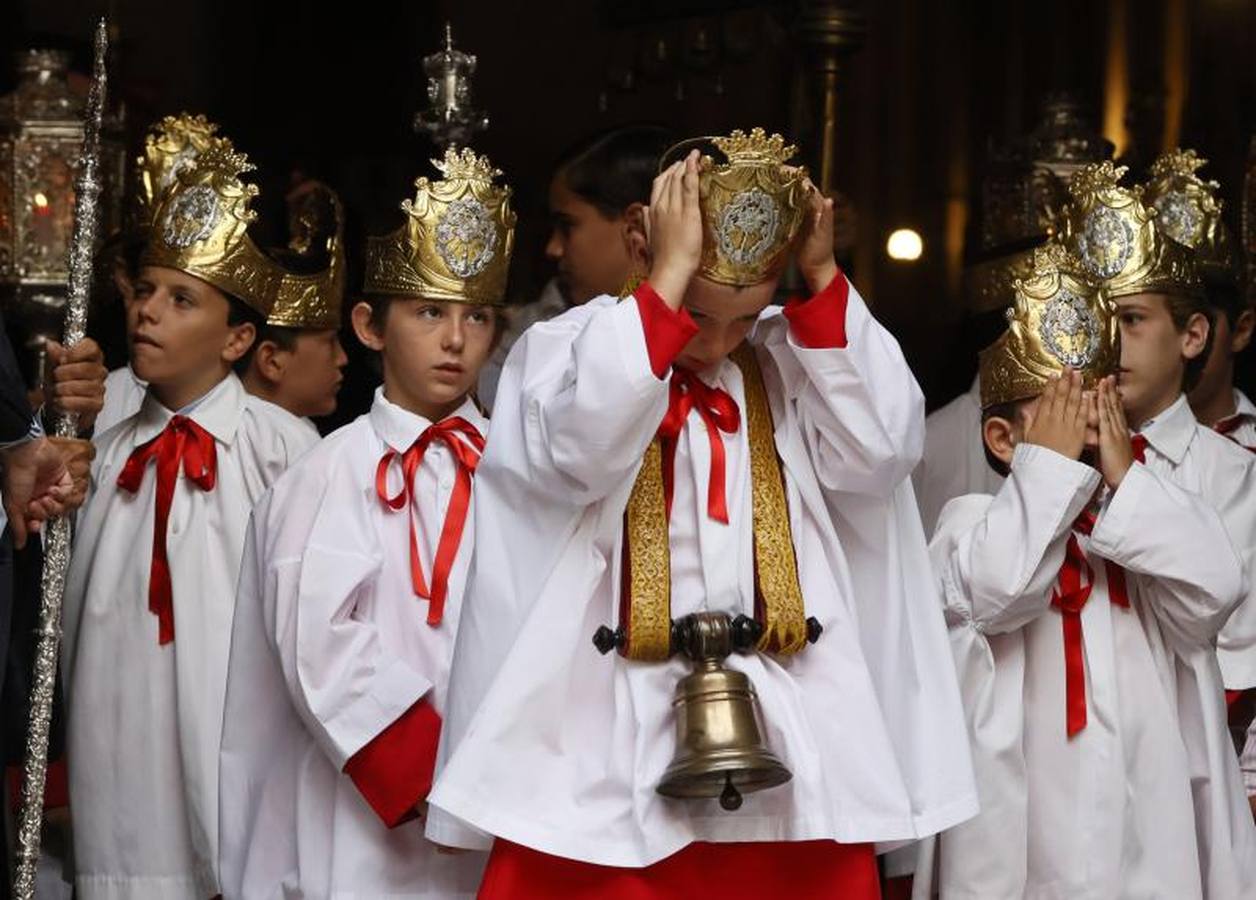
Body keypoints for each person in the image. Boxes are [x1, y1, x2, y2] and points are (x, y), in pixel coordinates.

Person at [427, 129, 976, 898]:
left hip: (787, 733)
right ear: (638, 241)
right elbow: (585, 444)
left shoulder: (793, 361)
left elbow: (884, 450)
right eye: (701, 312)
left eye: (746, 318)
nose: (717, 341)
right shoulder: (567, 349)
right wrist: (667, 280)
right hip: (605, 738)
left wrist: (818, 276)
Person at [219, 147, 513, 898]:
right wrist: (415, 766)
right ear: (369, 326)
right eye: (429, 313)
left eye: (475, 316)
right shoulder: (329, 474)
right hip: (368, 804)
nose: (455, 340)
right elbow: (315, 638)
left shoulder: (517, 472)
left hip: (494, 797)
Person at [62, 141, 320, 900]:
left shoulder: (282, 448)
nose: (146, 311)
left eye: (182, 299)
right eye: (144, 290)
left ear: (239, 339)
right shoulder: (102, 446)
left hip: (235, 729)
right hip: (120, 727)